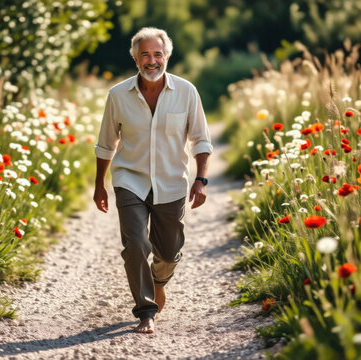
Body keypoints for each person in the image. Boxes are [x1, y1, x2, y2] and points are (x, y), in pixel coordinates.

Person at [93, 27, 213, 334]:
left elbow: (201, 139)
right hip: (129, 179)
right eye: (144, 54)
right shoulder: (118, 95)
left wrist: (201, 179)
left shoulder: (187, 92)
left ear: (167, 56)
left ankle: (159, 282)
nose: (151, 61)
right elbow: (106, 143)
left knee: (169, 251)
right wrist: (99, 185)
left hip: (172, 182)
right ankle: (146, 310)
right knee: (135, 244)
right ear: (134, 57)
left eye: (157, 54)